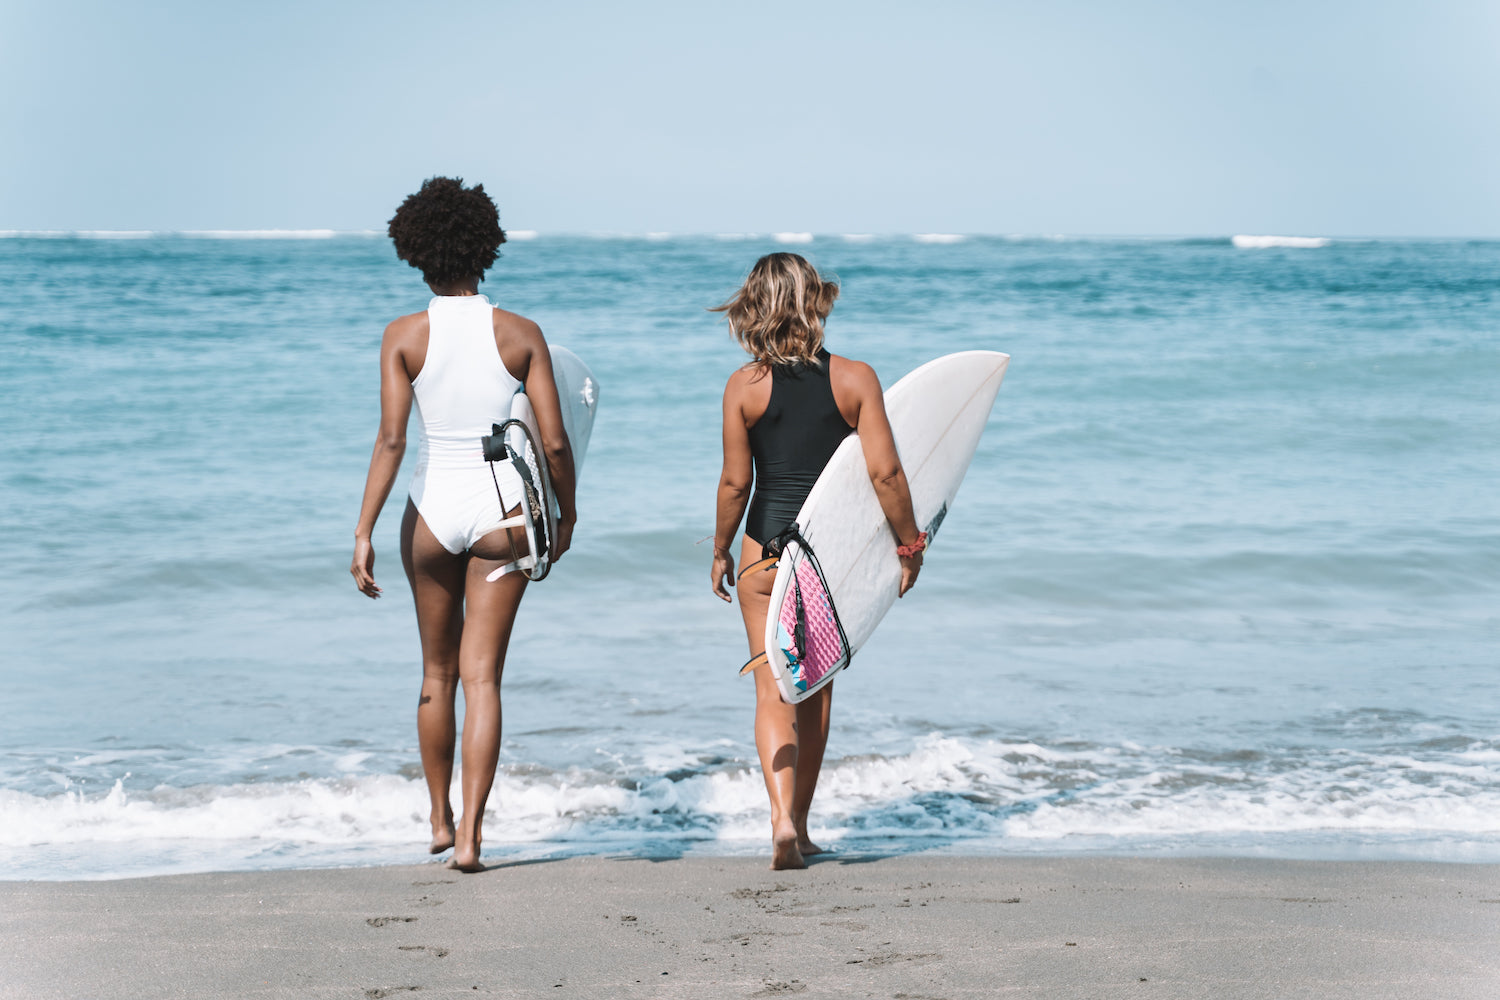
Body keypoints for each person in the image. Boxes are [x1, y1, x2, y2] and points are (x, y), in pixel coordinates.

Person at [350, 177, 576, 872]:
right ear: (487, 244)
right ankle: (474, 838)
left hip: (429, 512)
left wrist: (362, 533)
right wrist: (563, 516)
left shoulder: (403, 337)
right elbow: (558, 443)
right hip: (502, 514)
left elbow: (391, 442)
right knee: (484, 681)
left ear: (415, 251)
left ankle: (439, 818)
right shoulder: (520, 334)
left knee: (435, 675)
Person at [709, 253, 925, 870]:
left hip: (762, 556)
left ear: (754, 308)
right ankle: (799, 829)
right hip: (828, 562)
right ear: (817, 302)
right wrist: (909, 544)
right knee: (817, 696)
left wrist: (722, 549)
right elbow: (885, 474)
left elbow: (734, 484)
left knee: (771, 694)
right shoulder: (855, 379)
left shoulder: (743, 387)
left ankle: (778, 821)